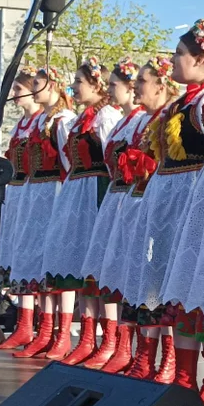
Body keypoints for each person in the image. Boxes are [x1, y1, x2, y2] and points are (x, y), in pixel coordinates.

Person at [123, 21, 204, 388]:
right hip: (167, 191)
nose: (174, 60)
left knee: (194, 285)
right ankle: (166, 367)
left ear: (201, 58)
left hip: (189, 191)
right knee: (162, 277)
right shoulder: (183, 102)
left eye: (180, 54)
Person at [95, 57, 179, 376]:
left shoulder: (166, 116)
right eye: (135, 82)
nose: (136, 87)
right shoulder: (139, 120)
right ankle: (140, 354)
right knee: (139, 277)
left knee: (159, 280)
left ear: (161, 85)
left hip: (159, 200)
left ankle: (166, 359)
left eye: (141, 81)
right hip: (138, 199)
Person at [39, 58, 121, 363]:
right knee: (83, 266)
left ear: (96, 85)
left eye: (79, 82)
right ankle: (87, 338)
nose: (74, 87)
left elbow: (115, 158)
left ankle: (110, 340)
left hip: (97, 191)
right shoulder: (82, 118)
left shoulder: (107, 116)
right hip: (79, 190)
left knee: (99, 265)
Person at [72, 58, 145, 368]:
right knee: (106, 270)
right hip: (116, 196)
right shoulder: (123, 121)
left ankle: (122, 346)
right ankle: (106, 342)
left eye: (115, 84)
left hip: (127, 196)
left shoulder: (126, 119)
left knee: (123, 271)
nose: (110, 89)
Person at [8, 67, 76, 359]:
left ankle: (58, 333)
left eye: (36, 85)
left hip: (53, 192)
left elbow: (69, 163)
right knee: (38, 260)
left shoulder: (62, 122)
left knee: (55, 263)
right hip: (35, 191)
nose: (32, 91)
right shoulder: (41, 122)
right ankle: (39, 329)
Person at [0, 68, 44, 349]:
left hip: (35, 190)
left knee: (33, 256)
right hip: (18, 190)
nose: (14, 95)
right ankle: (23, 324)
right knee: (20, 255)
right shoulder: (21, 125)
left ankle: (36, 326)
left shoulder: (41, 122)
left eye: (18, 90)